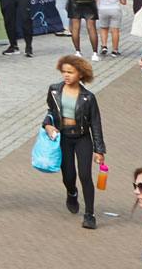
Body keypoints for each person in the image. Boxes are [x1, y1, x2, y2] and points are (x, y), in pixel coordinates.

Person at [46, 53, 109, 229]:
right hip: (64, 138)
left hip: (82, 138)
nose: (66, 75)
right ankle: (71, 192)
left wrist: (99, 150)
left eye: (70, 72)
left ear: (80, 74)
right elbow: (50, 111)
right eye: (64, 72)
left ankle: (90, 214)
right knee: (68, 175)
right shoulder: (54, 90)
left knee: (85, 175)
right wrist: (47, 125)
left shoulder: (88, 97)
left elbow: (95, 123)